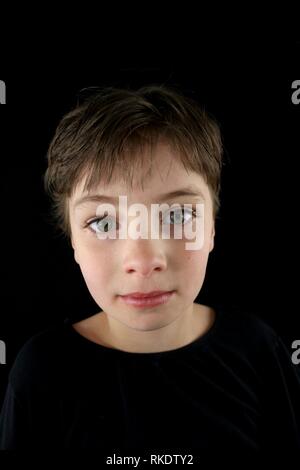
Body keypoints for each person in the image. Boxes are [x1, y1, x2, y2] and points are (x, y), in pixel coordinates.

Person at [0, 85, 299, 458]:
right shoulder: (42, 373)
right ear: (72, 239)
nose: (142, 260)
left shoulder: (259, 351)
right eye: (104, 223)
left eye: (177, 216)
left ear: (211, 229)